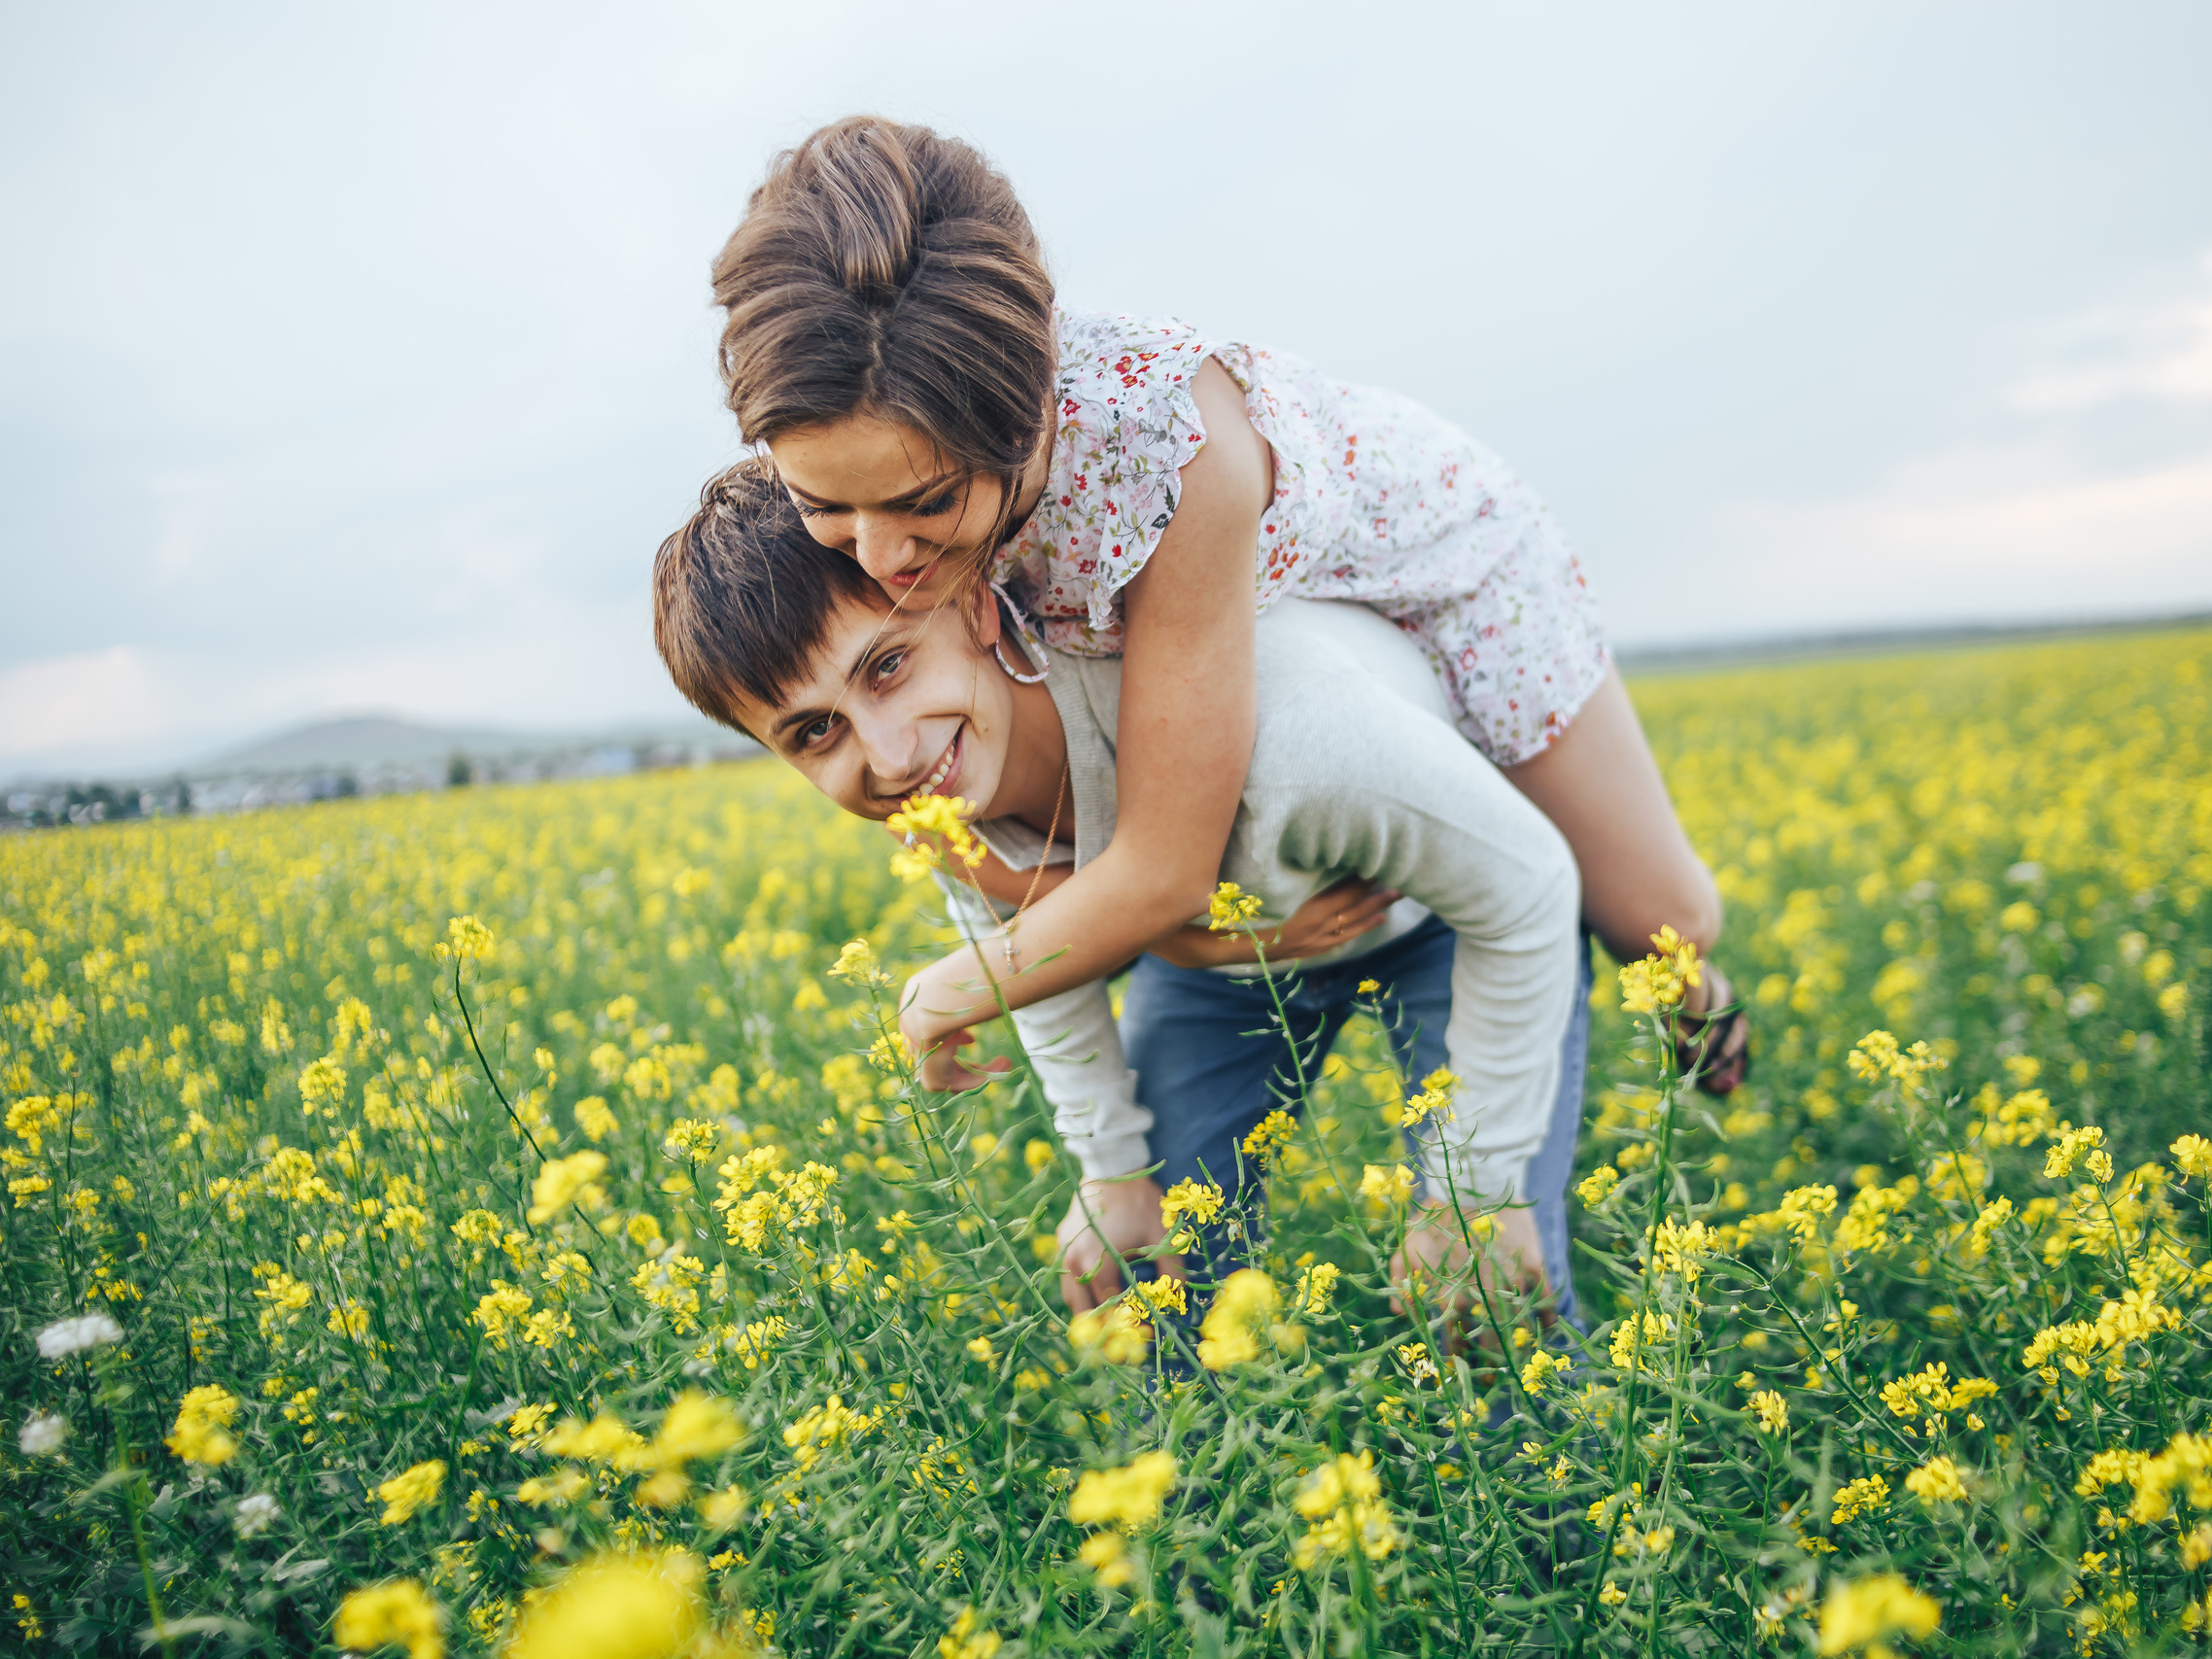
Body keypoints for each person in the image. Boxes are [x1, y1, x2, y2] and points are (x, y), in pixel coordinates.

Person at [707, 115, 1748, 1100]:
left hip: (1444, 571)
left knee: (1657, 920)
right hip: (1282, 635)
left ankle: (1681, 992)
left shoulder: (1176, 452)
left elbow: (1163, 864)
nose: (883, 558)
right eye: (822, 505)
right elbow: (977, 831)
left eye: (927, 503)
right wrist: (1173, 936)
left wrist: (956, 989)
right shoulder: (862, 426)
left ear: (1028, 410)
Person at [651, 460, 1608, 1325]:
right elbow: (1035, 961)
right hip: (1220, 969)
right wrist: (1110, 1171)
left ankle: (1539, 1501)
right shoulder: (942, 801)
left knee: (1484, 1289)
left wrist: (1472, 1193)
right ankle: (1197, 1504)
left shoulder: (1296, 729)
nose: (891, 755)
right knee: (1151, 1266)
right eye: (814, 734)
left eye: (889, 666)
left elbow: (1526, 889)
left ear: (976, 606)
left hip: (1450, 924)